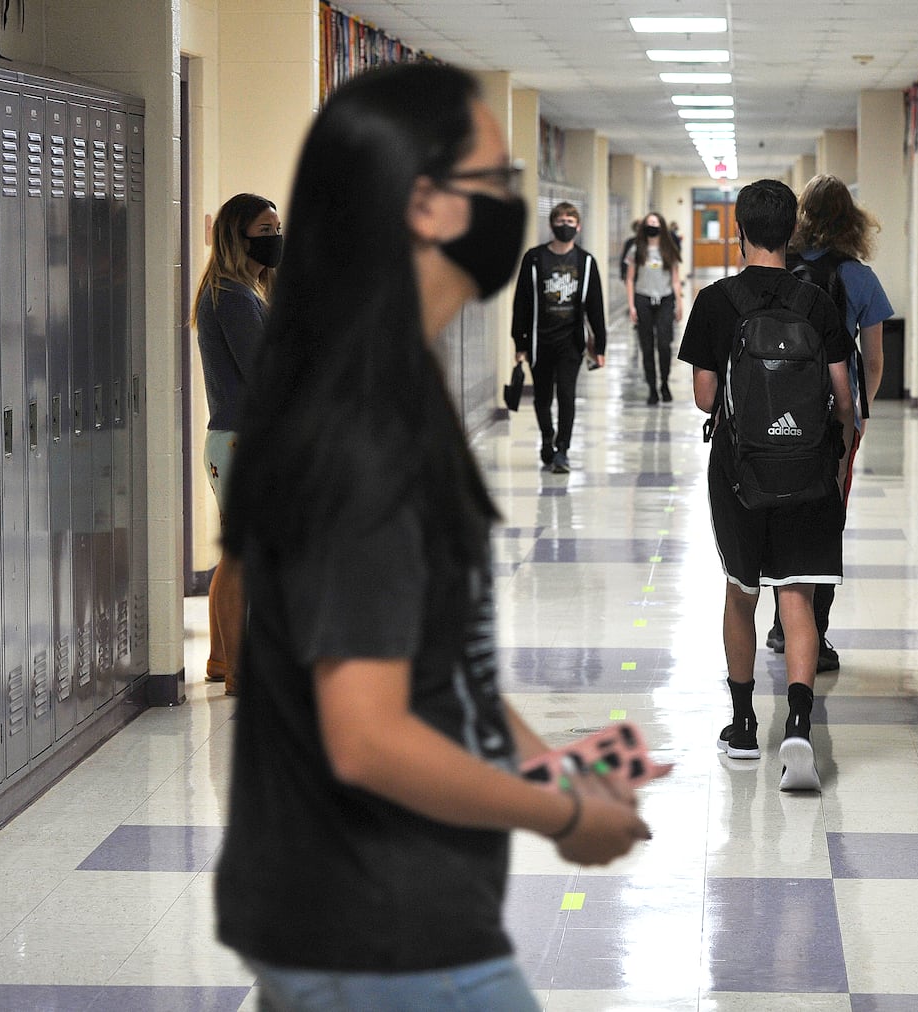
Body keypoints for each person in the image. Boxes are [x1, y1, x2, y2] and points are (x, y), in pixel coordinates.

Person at [214, 62, 655, 1010]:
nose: (515, 208)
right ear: (425, 205)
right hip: (382, 928)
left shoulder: (385, 387)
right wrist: (563, 812)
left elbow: (439, 670)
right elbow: (368, 739)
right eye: (496, 184)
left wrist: (555, 761)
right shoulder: (358, 426)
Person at [678, 179, 854, 793]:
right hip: (806, 471)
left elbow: (705, 396)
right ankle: (800, 725)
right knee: (796, 597)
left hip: (739, 471)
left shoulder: (715, 301)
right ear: (792, 232)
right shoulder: (818, 303)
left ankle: (745, 726)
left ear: (740, 229)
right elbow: (843, 398)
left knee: (741, 592)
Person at [763, 174, 895, 672]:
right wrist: (856, 414)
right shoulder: (859, 277)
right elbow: (875, 359)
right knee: (825, 518)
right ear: (852, 220)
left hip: (775, 410)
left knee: (778, 511)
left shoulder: (778, 269)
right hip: (833, 417)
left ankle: (781, 623)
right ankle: (814, 633)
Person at [192, 192, 281, 696]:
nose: (275, 240)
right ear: (237, 236)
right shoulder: (233, 297)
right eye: (265, 232)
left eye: (276, 229)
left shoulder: (238, 291)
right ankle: (240, 669)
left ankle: (223, 659)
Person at [510, 201, 607, 474]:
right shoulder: (534, 258)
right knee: (542, 397)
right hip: (540, 342)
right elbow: (522, 303)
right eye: (560, 220)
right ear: (552, 224)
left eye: (570, 221)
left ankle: (562, 449)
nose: (565, 225)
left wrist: (599, 345)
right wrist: (520, 342)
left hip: (570, 343)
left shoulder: (586, 262)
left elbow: (595, 306)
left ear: (578, 226)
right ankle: (546, 438)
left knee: (566, 394)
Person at [624, 211, 684, 405]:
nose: (652, 225)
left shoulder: (669, 249)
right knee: (647, 346)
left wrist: (679, 304)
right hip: (643, 299)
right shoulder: (636, 249)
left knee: (664, 345)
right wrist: (631, 305)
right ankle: (652, 388)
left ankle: (664, 383)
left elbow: (675, 280)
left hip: (665, 300)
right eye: (649, 222)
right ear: (644, 226)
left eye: (656, 222)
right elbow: (630, 279)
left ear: (662, 226)